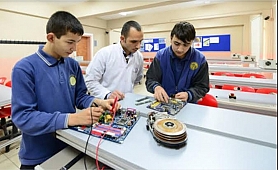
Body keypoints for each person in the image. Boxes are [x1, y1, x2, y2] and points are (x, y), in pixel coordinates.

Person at [11, 11, 119, 169]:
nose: (74, 48)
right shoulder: (25, 68)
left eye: (77, 42)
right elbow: (23, 118)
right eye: (70, 42)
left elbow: (80, 97)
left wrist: (98, 102)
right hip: (38, 154)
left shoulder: (72, 65)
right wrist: (71, 119)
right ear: (51, 37)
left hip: (70, 145)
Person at [145, 21, 210, 103]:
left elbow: (203, 87)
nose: (180, 49)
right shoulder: (160, 56)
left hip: (188, 105)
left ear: (192, 42)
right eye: (176, 43)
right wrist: (156, 87)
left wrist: (189, 94)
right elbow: (150, 79)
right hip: (164, 103)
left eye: (186, 45)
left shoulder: (200, 60)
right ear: (171, 38)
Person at [85, 20, 144, 100]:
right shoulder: (105, 53)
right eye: (134, 42)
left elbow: (137, 79)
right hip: (105, 103)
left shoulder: (139, 57)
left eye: (140, 41)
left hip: (127, 102)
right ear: (122, 39)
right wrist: (107, 94)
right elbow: (90, 81)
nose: (138, 46)